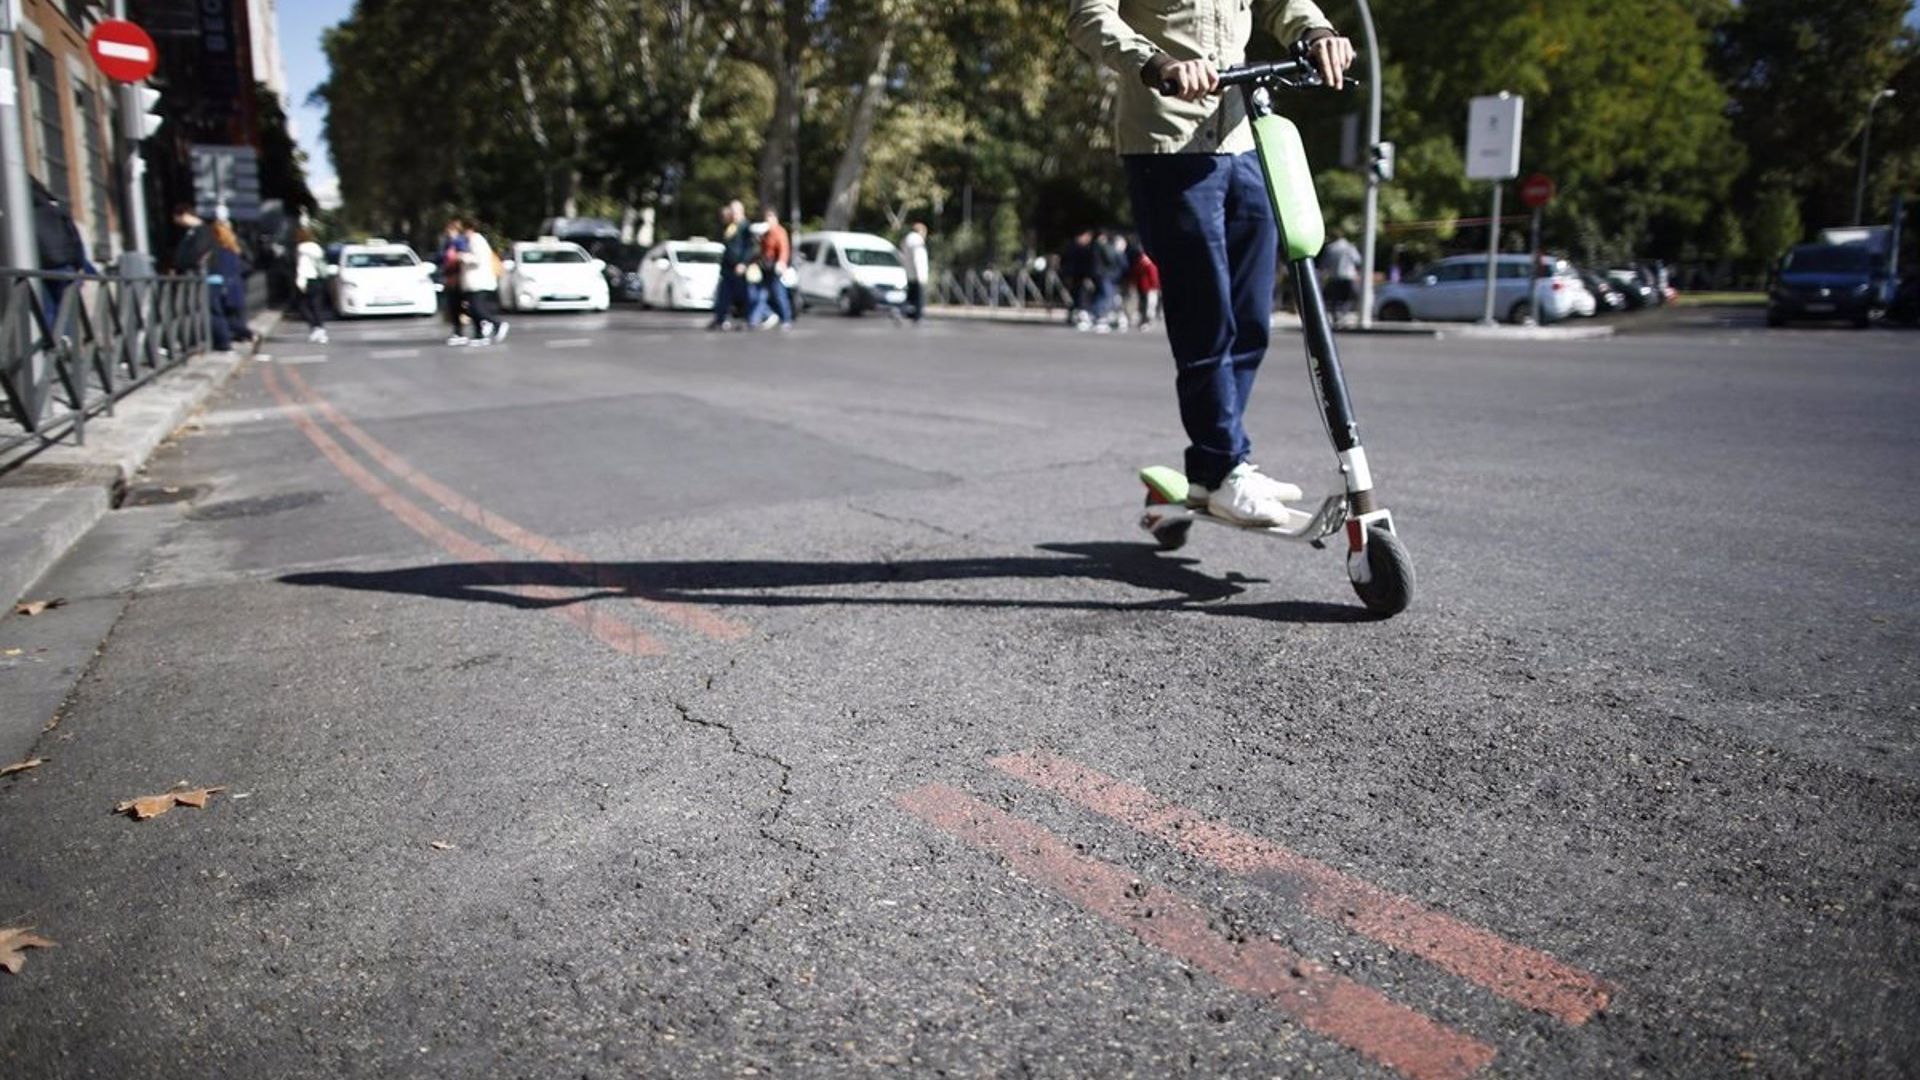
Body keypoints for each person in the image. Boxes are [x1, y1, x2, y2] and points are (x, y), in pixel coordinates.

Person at [1068, 0, 1354, 526]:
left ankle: (1212, 467)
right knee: (1206, 319)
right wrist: (1155, 63)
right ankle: (1226, 466)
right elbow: (1089, 17)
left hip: (1240, 138)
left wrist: (1316, 31)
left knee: (1250, 319)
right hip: (1167, 146)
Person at [31, 179, 92, 331]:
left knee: (48, 311)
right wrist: (79, 264)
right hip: (63, 265)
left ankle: (52, 347)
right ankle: (66, 345)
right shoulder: (54, 207)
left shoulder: (18, 211)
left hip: (40, 266)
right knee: (66, 311)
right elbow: (74, 238)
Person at [172, 204, 232, 352]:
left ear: (184, 215)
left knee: (212, 309)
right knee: (207, 309)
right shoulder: (199, 231)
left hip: (208, 277)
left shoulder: (202, 231)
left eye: (178, 219)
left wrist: (180, 263)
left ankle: (223, 342)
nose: (177, 223)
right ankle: (213, 340)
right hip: (206, 277)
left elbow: (195, 253)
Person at [459, 220, 507, 345]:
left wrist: (463, 257)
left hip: (479, 282)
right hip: (473, 282)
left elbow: (478, 259)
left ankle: (497, 323)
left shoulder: (476, 240)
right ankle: (478, 334)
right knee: (472, 310)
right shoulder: (472, 241)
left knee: (477, 309)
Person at [211, 220, 254, 344]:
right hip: (236, 285)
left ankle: (248, 334)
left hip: (227, 287)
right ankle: (246, 335)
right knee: (235, 316)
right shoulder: (235, 248)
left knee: (224, 317)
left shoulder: (221, 251)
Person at [759, 207, 795, 329]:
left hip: (776, 267)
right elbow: (762, 250)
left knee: (779, 294)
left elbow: (784, 249)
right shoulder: (765, 233)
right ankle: (769, 314)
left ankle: (786, 319)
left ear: (775, 219)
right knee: (761, 294)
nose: (768, 221)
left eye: (770, 218)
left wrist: (782, 262)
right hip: (766, 267)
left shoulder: (780, 232)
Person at [293, 228, 329, 344]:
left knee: (302, 306)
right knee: (316, 306)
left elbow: (302, 268)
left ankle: (315, 327)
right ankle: (321, 330)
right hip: (317, 279)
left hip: (307, 280)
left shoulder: (301, 249)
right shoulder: (316, 247)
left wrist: (300, 282)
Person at [1319, 228, 1362, 324]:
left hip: (1334, 276)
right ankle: (1344, 313)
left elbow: (1325, 264)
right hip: (1348, 276)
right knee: (1349, 297)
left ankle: (1335, 316)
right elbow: (1357, 260)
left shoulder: (1330, 248)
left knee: (1335, 298)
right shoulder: (1350, 247)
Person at [437, 219, 469, 346]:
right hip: (450, 277)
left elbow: (461, 258)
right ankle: (457, 331)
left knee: (460, 305)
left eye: (451, 230)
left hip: (459, 278)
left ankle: (461, 331)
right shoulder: (448, 243)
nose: (449, 233)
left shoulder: (460, 242)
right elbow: (440, 257)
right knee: (454, 306)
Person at [900, 221, 930, 323]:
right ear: (920, 231)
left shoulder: (907, 240)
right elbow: (919, 259)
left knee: (910, 296)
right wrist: (921, 275)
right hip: (917, 274)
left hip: (910, 273)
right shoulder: (917, 240)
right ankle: (917, 317)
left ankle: (901, 312)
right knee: (918, 297)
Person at [1131, 246, 1162, 330]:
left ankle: (1145, 320)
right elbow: (1154, 276)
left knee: (1145, 304)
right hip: (1150, 287)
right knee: (1149, 305)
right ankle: (1147, 320)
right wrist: (1156, 286)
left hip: (1143, 286)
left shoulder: (1140, 263)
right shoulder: (1149, 264)